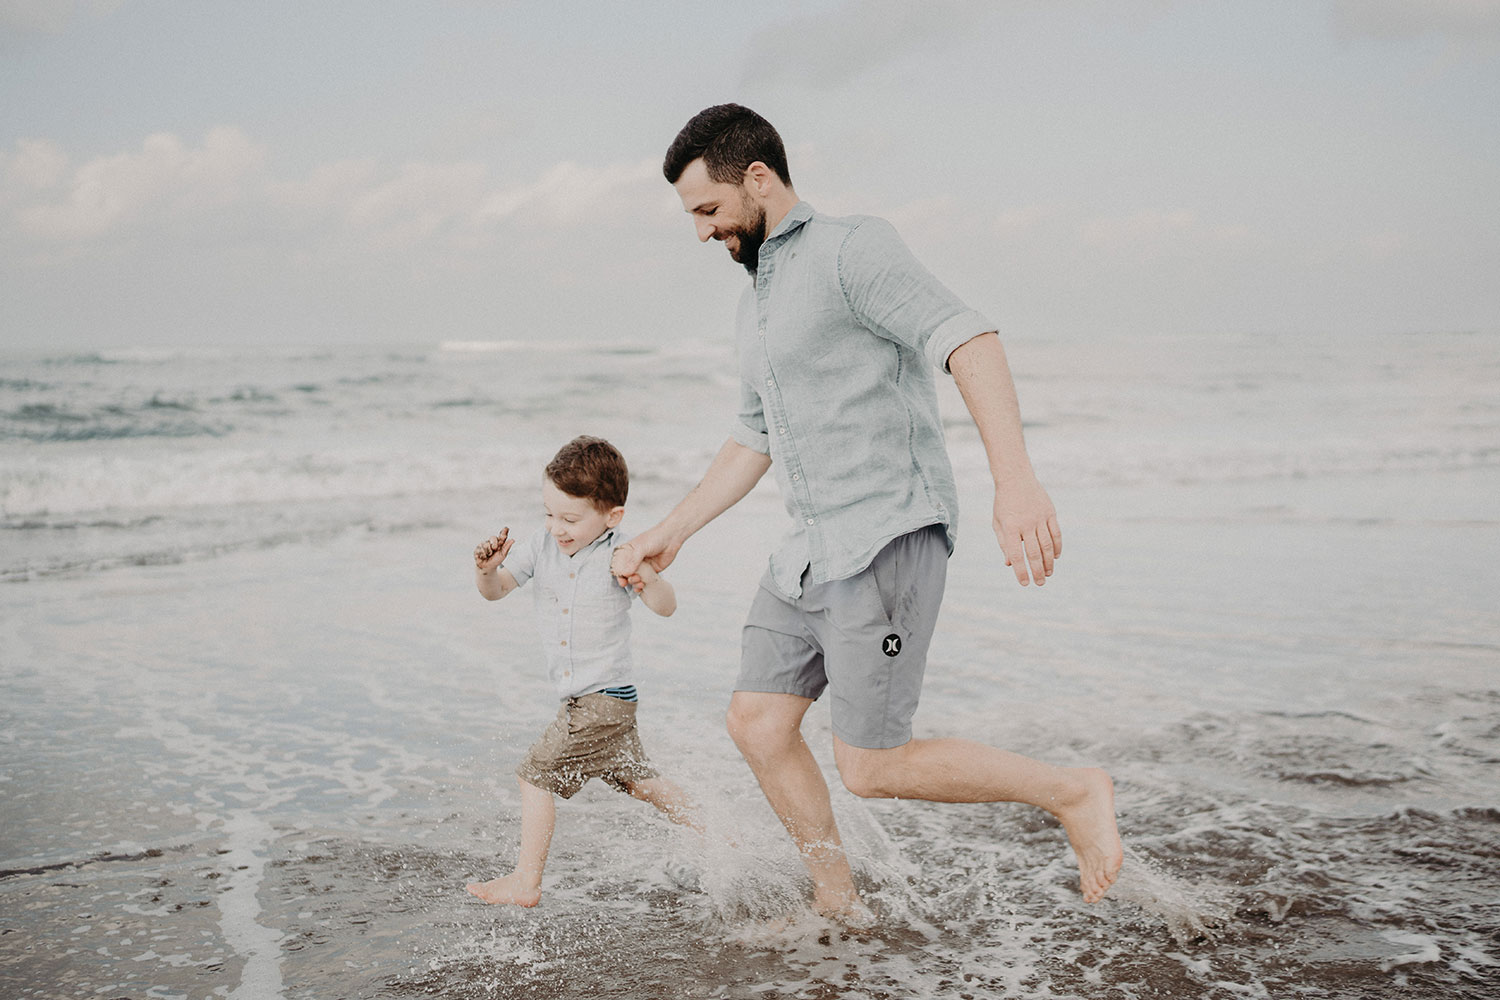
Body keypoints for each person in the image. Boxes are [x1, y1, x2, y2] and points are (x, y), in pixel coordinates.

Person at [611, 104, 1123, 924]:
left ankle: (1072, 792)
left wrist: (1015, 481)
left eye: (707, 211)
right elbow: (753, 438)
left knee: (872, 764)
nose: (701, 232)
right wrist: (666, 534)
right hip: (809, 552)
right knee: (757, 722)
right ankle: (838, 901)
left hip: (885, 530)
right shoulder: (755, 305)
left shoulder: (855, 249)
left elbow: (970, 339)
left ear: (757, 178)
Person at [465, 435, 700, 907]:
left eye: (570, 519)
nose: (557, 527)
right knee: (640, 783)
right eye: (549, 514)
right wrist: (487, 570)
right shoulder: (541, 547)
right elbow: (496, 591)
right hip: (603, 703)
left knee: (534, 776)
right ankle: (720, 836)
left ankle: (525, 882)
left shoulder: (622, 554)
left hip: (601, 700)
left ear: (611, 516)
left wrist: (647, 577)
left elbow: (666, 606)